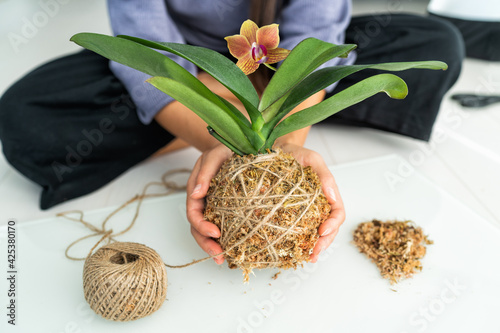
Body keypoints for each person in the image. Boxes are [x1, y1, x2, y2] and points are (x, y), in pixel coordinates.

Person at [0, 0, 463, 264]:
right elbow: (141, 51)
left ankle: (246, 115)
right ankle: (239, 112)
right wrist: (227, 136)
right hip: (188, 67)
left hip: (281, 66)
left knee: (436, 42)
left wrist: (278, 152)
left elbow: (312, 45)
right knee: (26, 117)